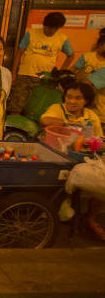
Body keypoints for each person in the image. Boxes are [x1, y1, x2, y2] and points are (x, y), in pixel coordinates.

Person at [40, 81, 104, 242]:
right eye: (69, 97)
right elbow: (45, 120)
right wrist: (68, 124)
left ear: (86, 101)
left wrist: (90, 141)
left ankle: (90, 218)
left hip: (83, 158)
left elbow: (98, 139)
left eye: (78, 98)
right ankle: (47, 211)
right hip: (55, 157)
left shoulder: (90, 116)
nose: (72, 101)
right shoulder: (58, 109)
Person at [9, 12, 75, 115]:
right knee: (17, 105)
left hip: (45, 79)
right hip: (25, 75)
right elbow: (19, 52)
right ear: (44, 24)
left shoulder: (62, 38)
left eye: (55, 28)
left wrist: (60, 72)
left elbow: (71, 55)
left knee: (37, 107)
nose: (52, 31)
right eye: (49, 27)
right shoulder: (31, 33)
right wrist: (13, 73)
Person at [72, 33, 105, 129]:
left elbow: (87, 83)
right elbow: (74, 69)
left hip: (99, 111)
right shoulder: (87, 56)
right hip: (85, 105)